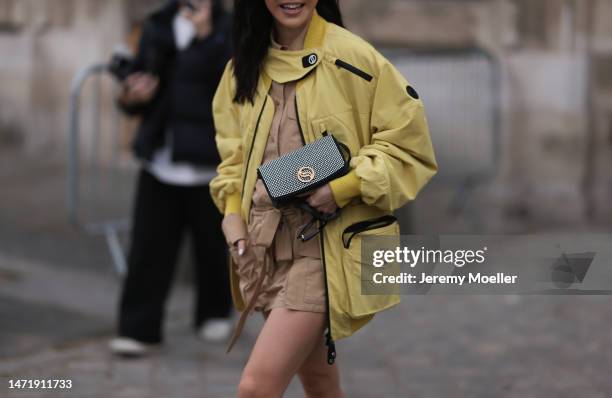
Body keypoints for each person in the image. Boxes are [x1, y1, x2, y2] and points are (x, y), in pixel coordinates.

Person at [212, 0, 437, 396]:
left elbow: (408, 145)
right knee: (318, 381)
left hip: (325, 247)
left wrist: (341, 188)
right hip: (261, 248)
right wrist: (232, 217)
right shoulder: (242, 68)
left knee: (255, 387)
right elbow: (234, 158)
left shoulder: (352, 56)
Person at [109, 0, 233, 357]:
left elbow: (235, 84)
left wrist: (208, 36)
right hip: (161, 157)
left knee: (212, 247)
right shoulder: (157, 24)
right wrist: (132, 96)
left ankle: (213, 312)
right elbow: (135, 96)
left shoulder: (230, 28)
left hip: (210, 161)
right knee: (149, 248)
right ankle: (138, 329)